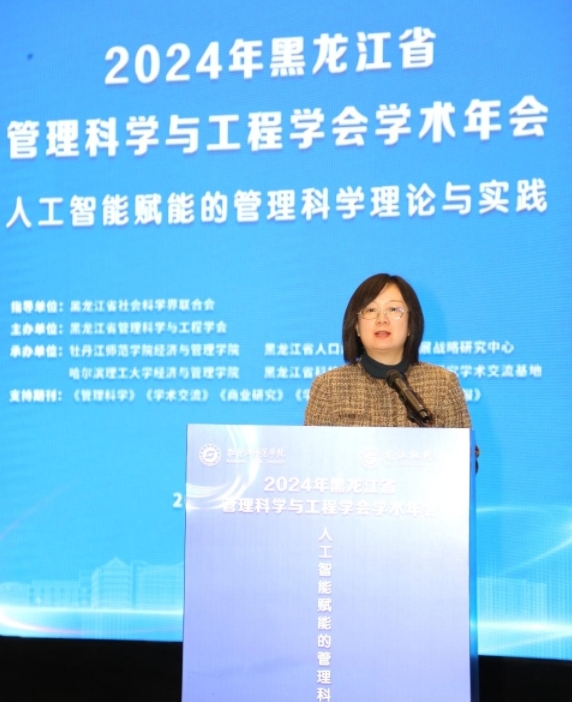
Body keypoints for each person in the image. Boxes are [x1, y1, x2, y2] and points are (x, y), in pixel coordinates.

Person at [304, 273, 472, 429]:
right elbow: (312, 450)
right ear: (357, 326)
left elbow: (465, 450)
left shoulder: (442, 384)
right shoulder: (328, 388)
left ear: (410, 324)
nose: (382, 320)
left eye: (393, 310)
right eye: (371, 310)